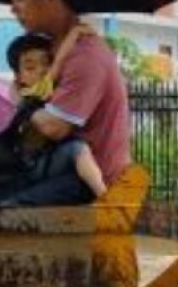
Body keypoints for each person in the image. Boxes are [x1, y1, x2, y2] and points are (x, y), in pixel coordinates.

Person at [0, 0, 131, 206]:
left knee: (3, 213)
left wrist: (22, 104)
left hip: (90, 181)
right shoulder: (50, 51)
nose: (12, 8)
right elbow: (30, 83)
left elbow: (53, 127)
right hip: (58, 167)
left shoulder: (86, 56)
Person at [6, 28, 108, 199]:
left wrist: (73, 34)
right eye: (30, 67)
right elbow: (59, 62)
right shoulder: (32, 92)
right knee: (77, 148)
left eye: (47, 63)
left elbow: (59, 61)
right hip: (33, 168)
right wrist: (73, 34)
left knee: (77, 149)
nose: (42, 70)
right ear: (19, 77)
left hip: (49, 163)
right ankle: (106, 197)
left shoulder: (54, 91)